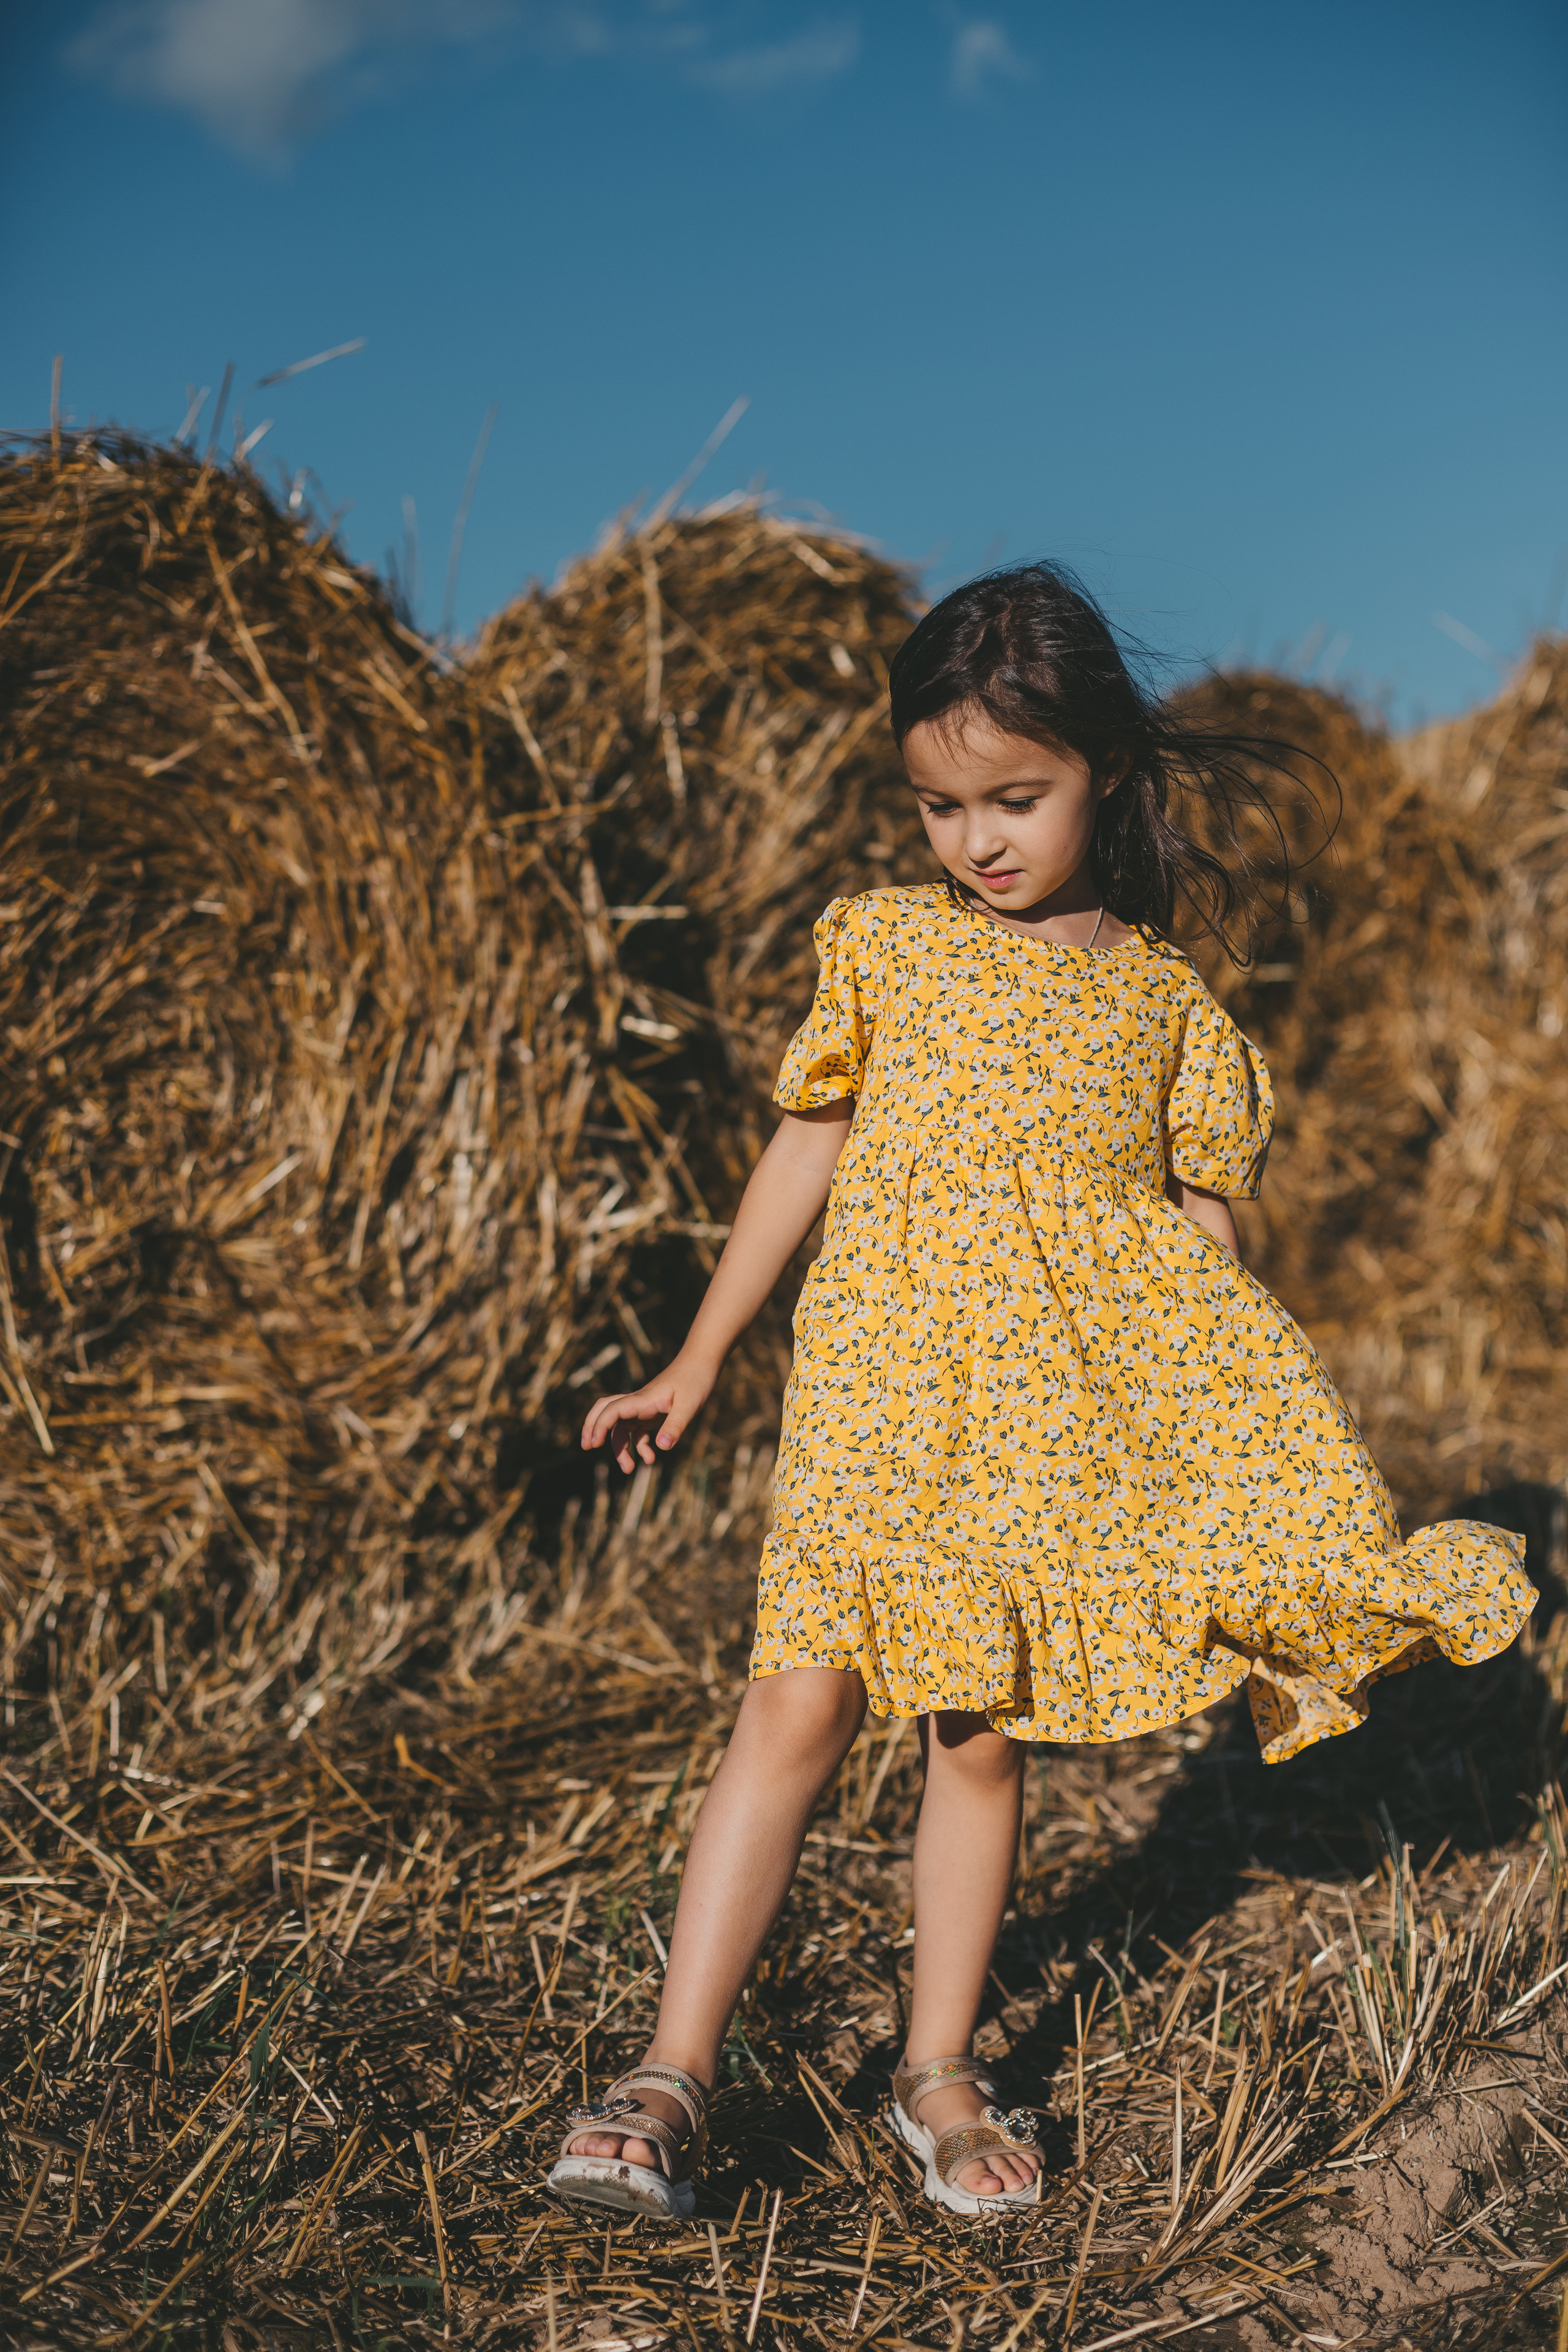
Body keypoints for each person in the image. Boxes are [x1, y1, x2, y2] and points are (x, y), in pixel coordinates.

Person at [547, 564, 1533, 2222]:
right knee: (794, 1706)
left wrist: (1236, 1441)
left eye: (1015, 798)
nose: (977, 840)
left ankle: (938, 2069)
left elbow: (1201, 1242)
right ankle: (669, 2071)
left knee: (979, 1738)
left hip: (1041, 1427)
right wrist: (698, 1356)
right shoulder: (886, 944)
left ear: (1105, 771)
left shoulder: (1164, 1003)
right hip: (876, 1391)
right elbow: (805, 1150)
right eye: (941, 806)